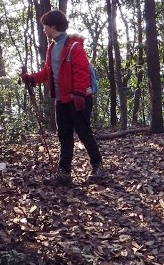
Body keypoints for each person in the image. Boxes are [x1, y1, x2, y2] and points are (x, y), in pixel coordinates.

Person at [20, 10, 106, 186]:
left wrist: (80, 93)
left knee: (83, 132)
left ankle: (98, 166)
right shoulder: (52, 47)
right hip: (62, 100)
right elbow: (48, 72)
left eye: (45, 25)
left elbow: (81, 70)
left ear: (53, 26)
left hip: (78, 99)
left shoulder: (74, 46)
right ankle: (64, 173)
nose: (43, 29)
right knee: (64, 135)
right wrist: (32, 78)